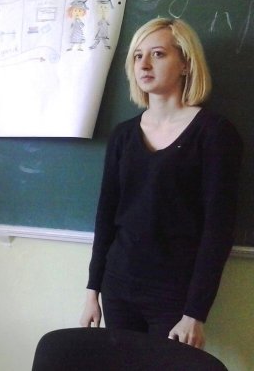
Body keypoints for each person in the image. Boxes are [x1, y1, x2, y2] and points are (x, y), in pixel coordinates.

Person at [79, 18, 243, 349]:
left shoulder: (214, 134)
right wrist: (92, 291)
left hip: (175, 293)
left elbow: (218, 229)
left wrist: (195, 313)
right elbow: (106, 216)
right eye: (138, 56)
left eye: (158, 54)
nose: (144, 64)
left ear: (185, 63)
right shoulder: (123, 135)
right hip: (119, 286)